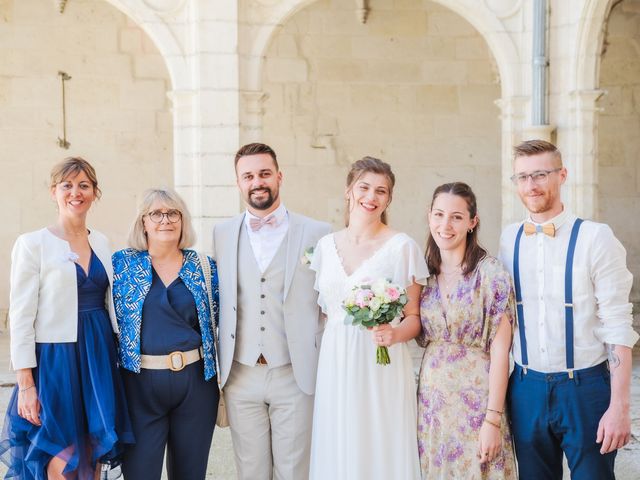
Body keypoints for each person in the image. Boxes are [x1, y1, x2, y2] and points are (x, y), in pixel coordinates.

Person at [499, 139, 639, 479]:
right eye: (522, 177)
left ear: (562, 175)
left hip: (585, 389)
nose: (531, 185)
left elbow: (618, 324)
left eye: (541, 175)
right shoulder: (509, 239)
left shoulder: (597, 238)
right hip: (525, 387)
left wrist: (619, 407)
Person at [0, 157, 134, 479]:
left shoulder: (101, 242)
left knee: (92, 451)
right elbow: (20, 317)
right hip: (55, 363)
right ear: (53, 192)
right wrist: (26, 383)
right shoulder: (33, 244)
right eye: (67, 185)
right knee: (60, 458)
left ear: (94, 193)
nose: (76, 192)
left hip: (98, 357)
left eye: (84, 185)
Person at [212, 143, 331, 480]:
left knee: (294, 471)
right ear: (238, 183)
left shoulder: (317, 232)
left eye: (264, 173)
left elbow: (329, 299)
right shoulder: (222, 233)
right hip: (240, 373)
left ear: (279, 176)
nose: (257, 182)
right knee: (250, 471)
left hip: (294, 372)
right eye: (248, 176)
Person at [308, 156, 427, 480]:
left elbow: (414, 317)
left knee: (378, 443)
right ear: (349, 190)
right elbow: (325, 312)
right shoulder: (324, 247)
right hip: (336, 362)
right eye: (364, 187)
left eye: (381, 191)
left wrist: (394, 334)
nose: (371, 197)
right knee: (339, 443)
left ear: (389, 198)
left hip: (380, 363)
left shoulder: (402, 247)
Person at [112, 188, 220, 480]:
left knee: (190, 473)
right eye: (156, 214)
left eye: (173, 213)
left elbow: (224, 319)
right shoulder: (121, 265)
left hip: (196, 384)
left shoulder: (204, 267)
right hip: (139, 385)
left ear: (183, 220)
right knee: (140, 473)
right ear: (143, 222)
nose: (165, 220)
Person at [416, 182, 516, 479]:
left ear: (473, 222)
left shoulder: (491, 274)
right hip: (432, 406)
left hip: (476, 404)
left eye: (457, 217)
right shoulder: (423, 274)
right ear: (429, 216)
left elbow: (501, 353)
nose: (445, 225)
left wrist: (492, 421)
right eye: (439, 215)